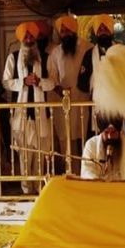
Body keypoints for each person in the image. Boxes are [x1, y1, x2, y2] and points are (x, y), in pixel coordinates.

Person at [2, 22, 58, 194]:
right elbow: (5, 82)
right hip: (22, 117)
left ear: (35, 38)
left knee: (41, 157)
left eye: (31, 36)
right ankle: (26, 192)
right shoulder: (13, 56)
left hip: (41, 116)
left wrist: (40, 82)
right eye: (25, 37)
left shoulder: (46, 57)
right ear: (21, 39)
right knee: (25, 157)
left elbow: (53, 82)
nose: (28, 39)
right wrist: (22, 82)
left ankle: (41, 191)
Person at [47, 15, 91, 166]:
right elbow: (52, 77)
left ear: (74, 30)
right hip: (63, 102)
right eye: (62, 31)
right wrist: (59, 89)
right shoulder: (56, 52)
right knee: (66, 141)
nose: (65, 33)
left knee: (83, 138)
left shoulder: (88, 48)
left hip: (83, 101)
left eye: (68, 30)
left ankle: (85, 173)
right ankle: (70, 173)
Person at [81, 114, 125, 181]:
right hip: (99, 189)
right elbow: (87, 171)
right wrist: (99, 185)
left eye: (113, 132)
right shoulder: (91, 144)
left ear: (119, 131)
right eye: (106, 132)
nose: (109, 136)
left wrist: (124, 186)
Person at [76, 14, 116, 100]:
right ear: (96, 33)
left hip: (118, 100)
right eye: (100, 29)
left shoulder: (120, 52)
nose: (103, 32)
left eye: (106, 29)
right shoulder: (89, 54)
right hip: (97, 101)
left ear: (111, 31)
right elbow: (82, 83)